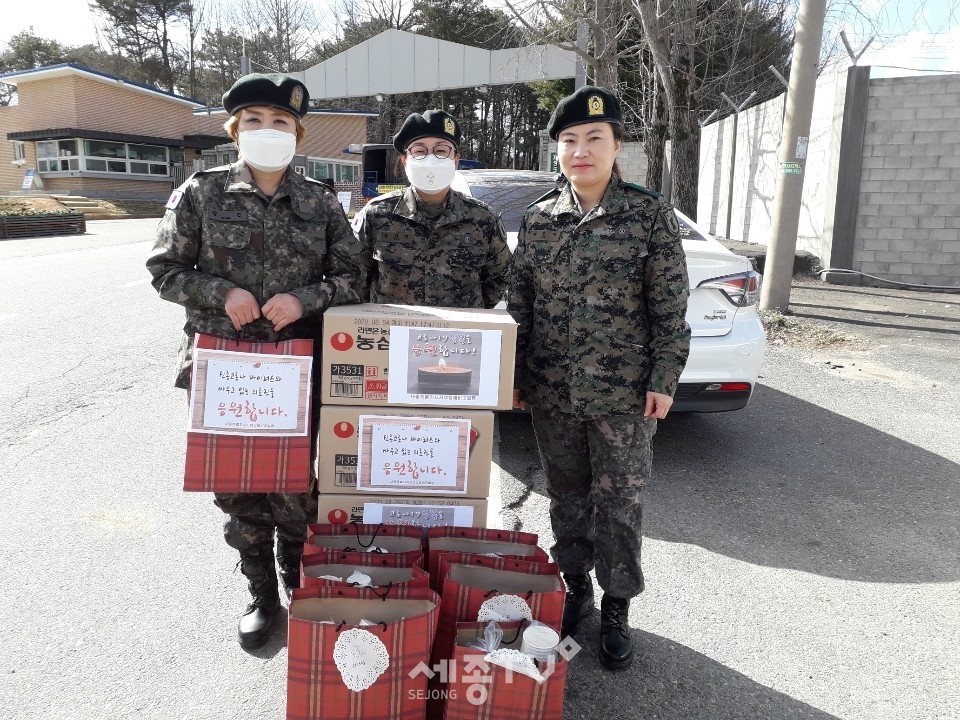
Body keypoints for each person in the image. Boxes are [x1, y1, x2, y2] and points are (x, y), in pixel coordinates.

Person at [146, 73, 366, 649]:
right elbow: (164, 271)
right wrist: (222, 293)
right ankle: (261, 594)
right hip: (225, 367)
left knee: (295, 486)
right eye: (254, 121)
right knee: (238, 489)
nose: (268, 129)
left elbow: (353, 276)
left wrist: (305, 299)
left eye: (281, 122)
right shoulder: (201, 192)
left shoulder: (319, 200)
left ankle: (299, 582)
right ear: (234, 131)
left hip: (296, 366)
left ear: (297, 133)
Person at [507, 86, 691, 671]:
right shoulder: (539, 219)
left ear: (616, 147)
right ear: (557, 150)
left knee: (619, 503)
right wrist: (516, 376)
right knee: (566, 496)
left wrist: (663, 378)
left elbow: (670, 309)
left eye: (594, 138)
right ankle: (575, 589)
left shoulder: (648, 215)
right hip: (553, 390)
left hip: (623, 394)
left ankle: (617, 605)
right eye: (569, 141)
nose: (581, 151)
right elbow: (521, 308)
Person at [352, 109, 510, 308]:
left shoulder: (483, 218)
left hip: (459, 327)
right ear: (405, 160)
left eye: (441, 151)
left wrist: (470, 313)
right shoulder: (376, 215)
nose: (430, 159)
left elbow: (499, 277)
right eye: (419, 151)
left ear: (455, 160)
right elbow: (356, 276)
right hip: (396, 327)